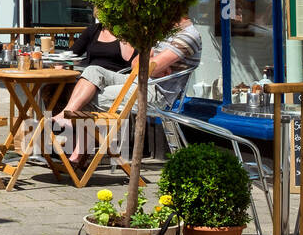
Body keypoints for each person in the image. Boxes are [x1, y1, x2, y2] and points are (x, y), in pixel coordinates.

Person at [52, 17, 202, 164]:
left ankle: (79, 151)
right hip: (137, 81)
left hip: (155, 93)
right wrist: (152, 66)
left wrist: (151, 66)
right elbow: (136, 63)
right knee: (92, 71)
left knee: (89, 95)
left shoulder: (188, 36)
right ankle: (68, 113)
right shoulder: (167, 33)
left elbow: (148, 68)